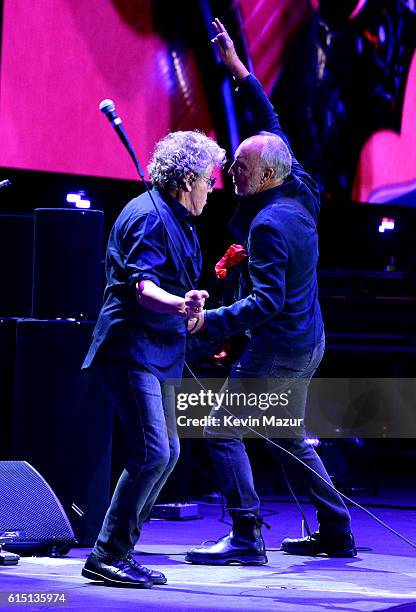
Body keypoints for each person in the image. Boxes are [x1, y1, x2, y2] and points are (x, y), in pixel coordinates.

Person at [185, 19, 355, 565]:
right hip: (308, 340)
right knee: (284, 434)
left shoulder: (268, 225)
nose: (229, 170)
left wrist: (208, 321)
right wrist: (240, 73)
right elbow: (273, 123)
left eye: (240, 166)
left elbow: (266, 303)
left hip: (279, 345)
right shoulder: (299, 187)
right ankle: (336, 529)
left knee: (220, 429)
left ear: (265, 177)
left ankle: (246, 537)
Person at [81, 130, 226, 587]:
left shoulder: (180, 222)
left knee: (170, 451)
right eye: (208, 179)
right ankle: (107, 555)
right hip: (131, 348)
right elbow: (144, 288)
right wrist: (179, 305)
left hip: (159, 350)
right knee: (152, 451)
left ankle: (118, 551)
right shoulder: (147, 217)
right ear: (186, 179)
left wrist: (189, 309)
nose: (211, 187)